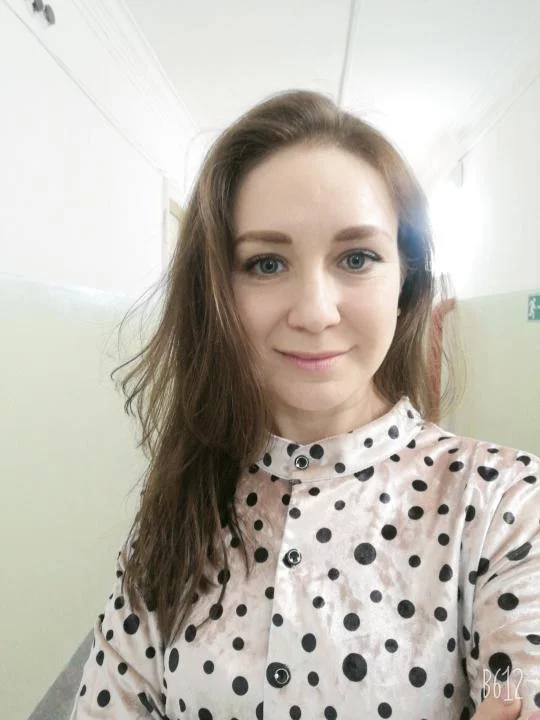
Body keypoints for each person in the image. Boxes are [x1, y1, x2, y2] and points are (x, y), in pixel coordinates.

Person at [69, 90, 540, 720]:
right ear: (217, 292)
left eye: (356, 258)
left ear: (406, 279)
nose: (315, 312)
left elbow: (519, 684)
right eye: (266, 263)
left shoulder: (507, 505)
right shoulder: (180, 505)